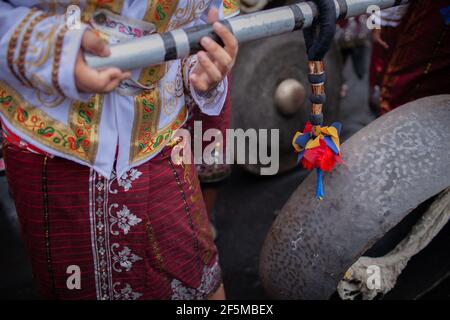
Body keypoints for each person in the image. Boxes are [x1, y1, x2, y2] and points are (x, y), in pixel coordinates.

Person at [0, 0, 239, 300]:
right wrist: (54, 52)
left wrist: (203, 65)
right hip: (55, 151)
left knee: (200, 285)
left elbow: (200, 20)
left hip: (160, 140)